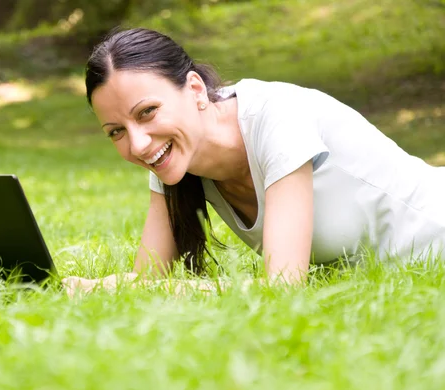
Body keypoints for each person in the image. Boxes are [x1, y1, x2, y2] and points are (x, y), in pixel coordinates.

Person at [62, 27, 445, 295]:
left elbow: (282, 289)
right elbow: (146, 279)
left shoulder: (276, 117)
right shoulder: (173, 156)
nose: (140, 144)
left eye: (147, 112)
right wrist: (97, 287)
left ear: (195, 89)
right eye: (116, 131)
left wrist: (166, 289)